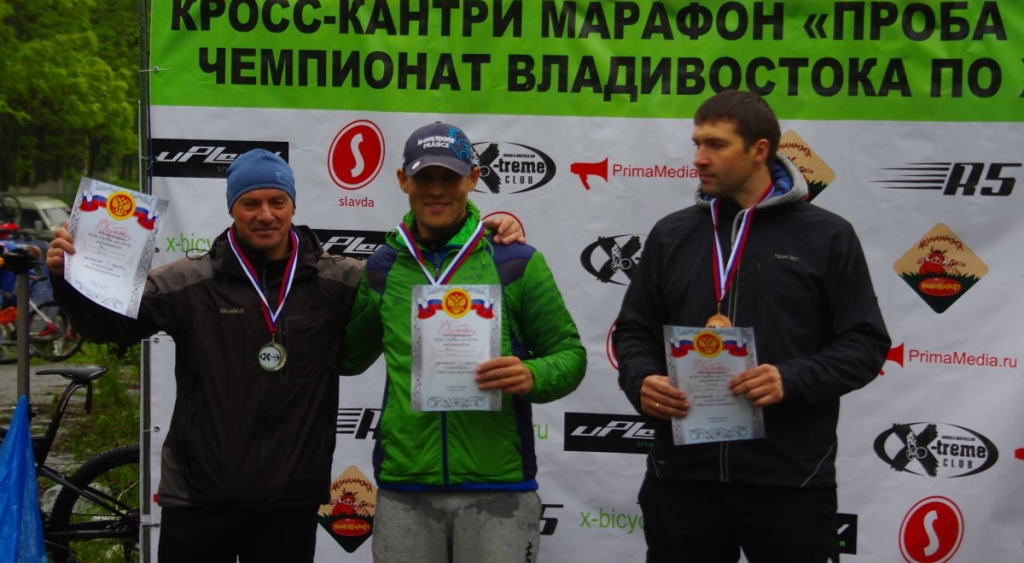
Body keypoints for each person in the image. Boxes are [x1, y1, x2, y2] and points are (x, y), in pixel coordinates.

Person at [44, 148, 522, 563]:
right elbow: (108, 326)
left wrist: (483, 233)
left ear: (293, 205)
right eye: (250, 203)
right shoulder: (190, 282)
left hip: (289, 504)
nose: (265, 215)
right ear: (232, 209)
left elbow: (416, 275)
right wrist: (68, 278)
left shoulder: (339, 280)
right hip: (198, 500)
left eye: (277, 202)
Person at [611, 90, 890, 563]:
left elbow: (865, 343)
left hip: (789, 481)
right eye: (697, 143)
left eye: (716, 145)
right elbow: (634, 331)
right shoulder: (671, 233)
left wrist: (792, 378)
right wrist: (642, 380)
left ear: (760, 149)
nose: (699, 158)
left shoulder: (827, 235)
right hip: (682, 479)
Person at [345, 121, 587, 563]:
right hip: (406, 485)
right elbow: (348, 357)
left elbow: (570, 356)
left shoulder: (515, 259)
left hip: (499, 487)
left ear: (473, 179)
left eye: (450, 177)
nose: (437, 190)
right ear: (403, 180)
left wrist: (532, 374)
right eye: (424, 177)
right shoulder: (383, 267)